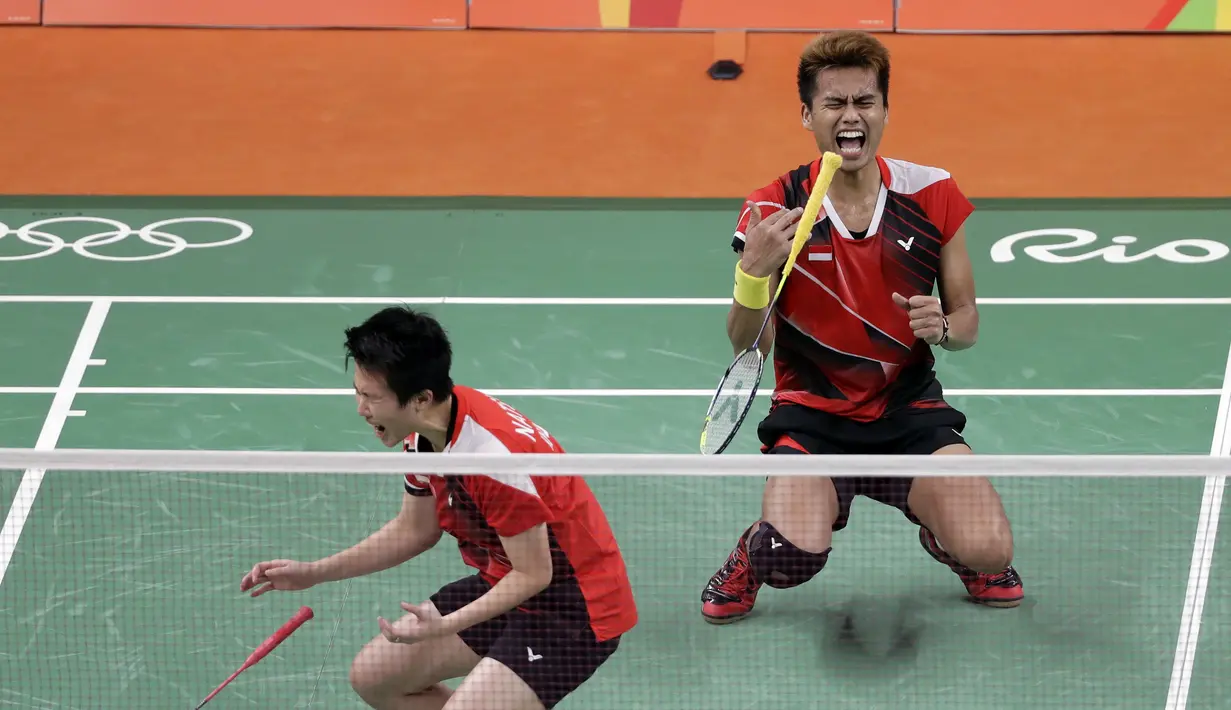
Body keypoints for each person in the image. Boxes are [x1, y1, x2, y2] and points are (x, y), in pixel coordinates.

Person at [700, 30, 1023, 625]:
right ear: (807, 115)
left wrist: (943, 327)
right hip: (814, 419)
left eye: (864, 102)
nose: (851, 117)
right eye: (834, 104)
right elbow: (749, 343)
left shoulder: (932, 193)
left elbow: (968, 321)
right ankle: (753, 550)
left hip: (909, 415)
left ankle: (952, 543)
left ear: (884, 110)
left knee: (990, 547)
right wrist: (751, 274)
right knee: (788, 559)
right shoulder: (773, 209)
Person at [239, 306, 638, 710]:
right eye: (358, 392)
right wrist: (314, 572)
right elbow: (414, 530)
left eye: (372, 398)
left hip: (574, 607)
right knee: (375, 678)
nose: (361, 409)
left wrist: (446, 625)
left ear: (421, 398)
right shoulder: (425, 434)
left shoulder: (492, 460)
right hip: (503, 580)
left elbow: (535, 573)